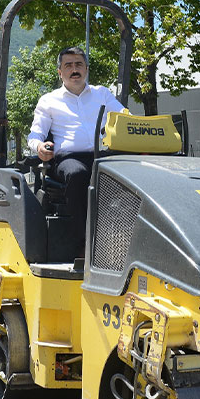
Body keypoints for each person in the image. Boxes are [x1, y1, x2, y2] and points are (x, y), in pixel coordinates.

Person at [27, 46, 125, 249]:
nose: (74, 69)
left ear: (86, 69)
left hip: (104, 156)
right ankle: (85, 243)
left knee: (128, 174)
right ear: (60, 72)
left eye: (79, 64)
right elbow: (35, 135)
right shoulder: (49, 100)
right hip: (68, 159)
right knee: (78, 174)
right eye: (68, 65)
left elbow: (125, 117)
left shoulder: (102, 94)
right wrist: (39, 147)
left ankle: (124, 238)